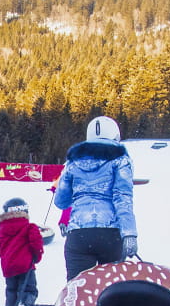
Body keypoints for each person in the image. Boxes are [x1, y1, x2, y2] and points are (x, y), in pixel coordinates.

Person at [53, 116, 138, 281]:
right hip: (110, 233)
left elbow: (60, 201)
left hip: (79, 232)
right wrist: (130, 233)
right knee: (112, 289)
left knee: (78, 289)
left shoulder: (72, 161)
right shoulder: (121, 160)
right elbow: (123, 197)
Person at [0, 197, 44, 306]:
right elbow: (36, 242)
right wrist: (37, 255)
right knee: (29, 290)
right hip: (26, 266)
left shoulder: (1, 231)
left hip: (9, 268)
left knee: (11, 291)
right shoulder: (30, 227)